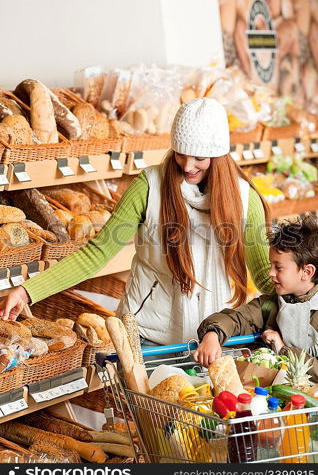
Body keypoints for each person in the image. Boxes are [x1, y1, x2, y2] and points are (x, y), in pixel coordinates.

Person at [0, 98, 273, 346]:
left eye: (199, 158)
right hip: (146, 336)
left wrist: (306, 304)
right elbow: (97, 253)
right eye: (180, 154)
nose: (188, 166)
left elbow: (264, 274)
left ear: (219, 156)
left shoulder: (244, 199)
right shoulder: (149, 186)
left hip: (215, 339)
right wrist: (28, 291)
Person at [194, 215, 318, 382]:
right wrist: (212, 334)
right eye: (270, 265)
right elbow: (238, 318)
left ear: (307, 272)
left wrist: (283, 349)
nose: (270, 273)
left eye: (278, 267)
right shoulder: (271, 304)